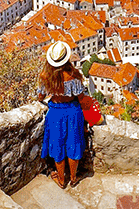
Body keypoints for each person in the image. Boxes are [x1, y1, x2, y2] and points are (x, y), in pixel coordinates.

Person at [37, 40, 86, 189]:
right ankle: (73, 177)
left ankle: (61, 179)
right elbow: (81, 97)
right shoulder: (74, 76)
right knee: (73, 145)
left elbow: (40, 96)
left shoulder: (46, 76)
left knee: (58, 145)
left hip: (56, 114)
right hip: (73, 112)